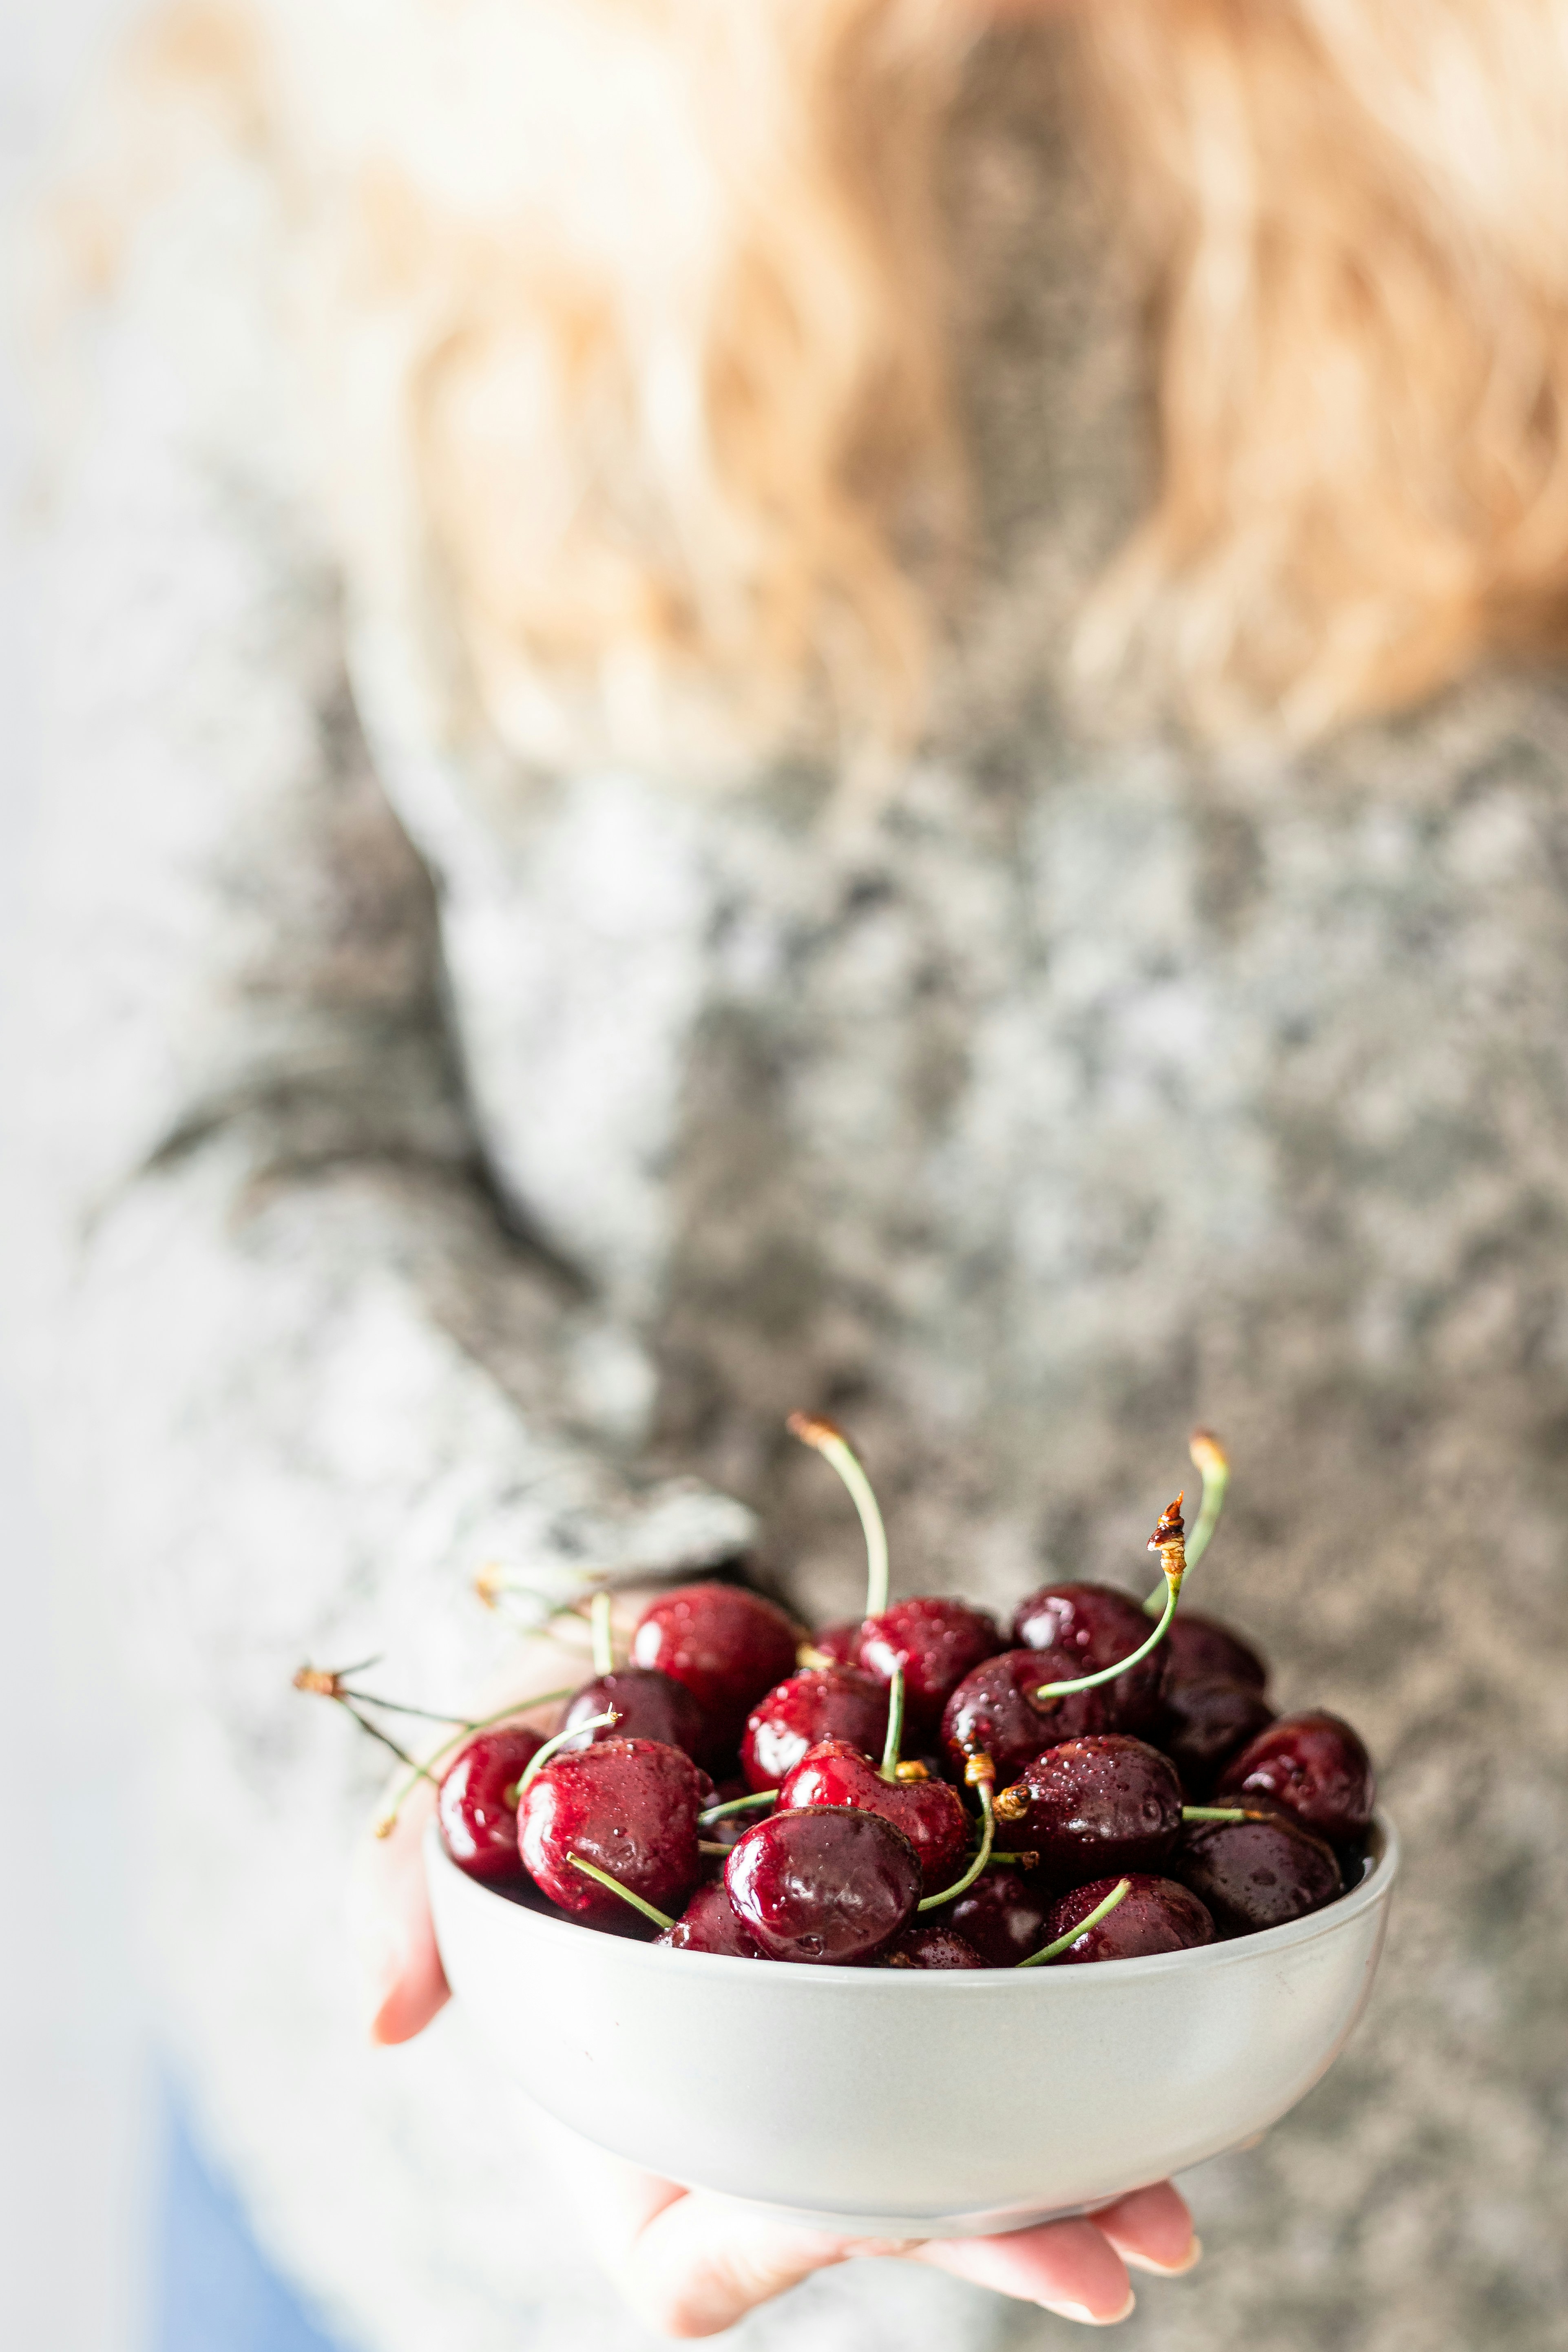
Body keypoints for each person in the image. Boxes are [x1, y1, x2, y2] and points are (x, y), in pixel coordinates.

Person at [20, 2, 1568, 2348]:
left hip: (1465, 2171)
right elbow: (210, 1111)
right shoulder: (325, 135)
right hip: (514, 2153)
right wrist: (558, 1641)